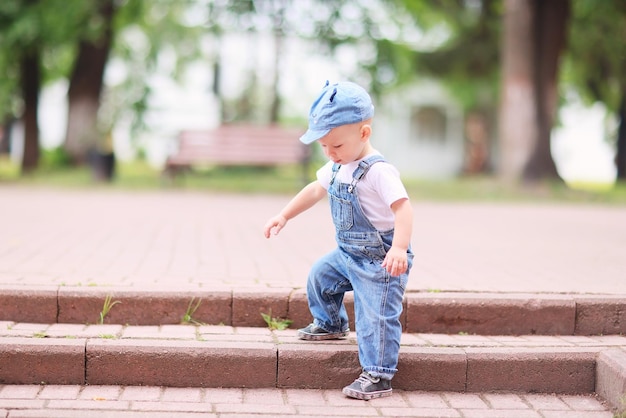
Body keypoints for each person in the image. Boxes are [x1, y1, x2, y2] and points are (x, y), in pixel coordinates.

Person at [263, 80, 413, 400]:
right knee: (320, 276)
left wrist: (399, 248)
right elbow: (314, 190)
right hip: (348, 253)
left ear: (364, 133)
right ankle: (330, 323)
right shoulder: (336, 165)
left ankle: (378, 373)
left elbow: (403, 209)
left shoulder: (378, 171)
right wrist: (284, 215)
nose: (331, 153)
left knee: (375, 316)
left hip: (379, 259)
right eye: (324, 147)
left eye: (337, 146)